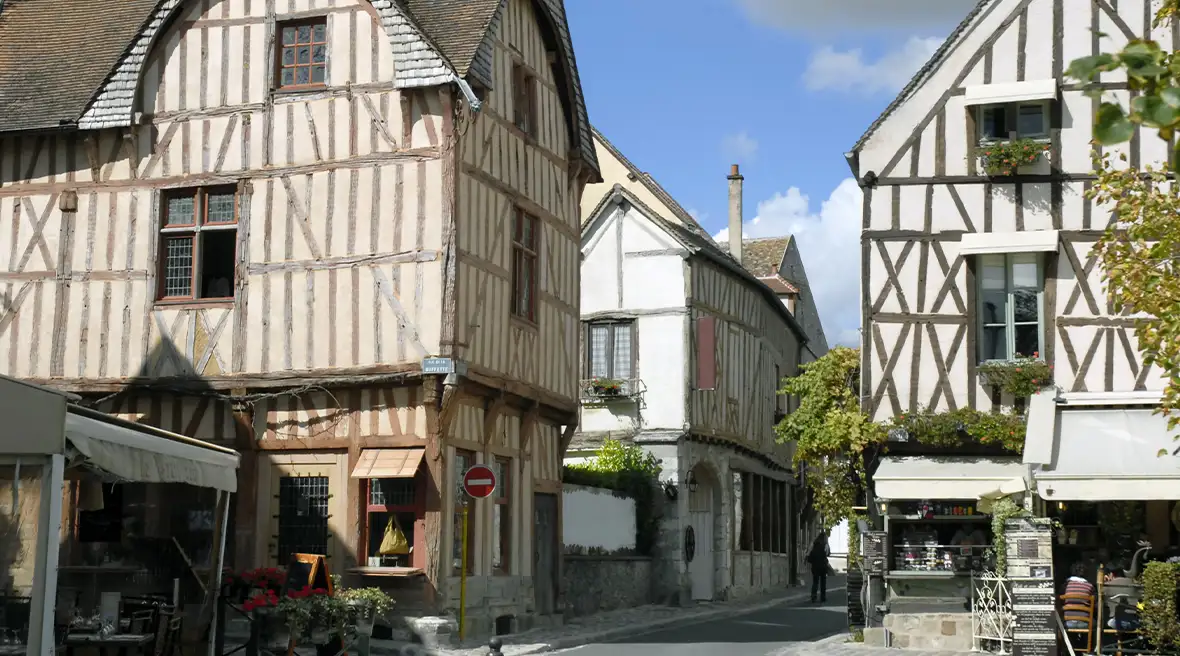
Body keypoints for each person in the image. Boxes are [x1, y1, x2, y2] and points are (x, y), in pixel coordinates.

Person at [807, 533, 830, 603]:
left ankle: (813, 596)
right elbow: (828, 553)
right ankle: (823, 597)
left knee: (815, 582)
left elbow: (809, 555)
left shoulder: (813, 544)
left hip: (815, 566)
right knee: (823, 582)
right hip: (823, 566)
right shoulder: (825, 545)